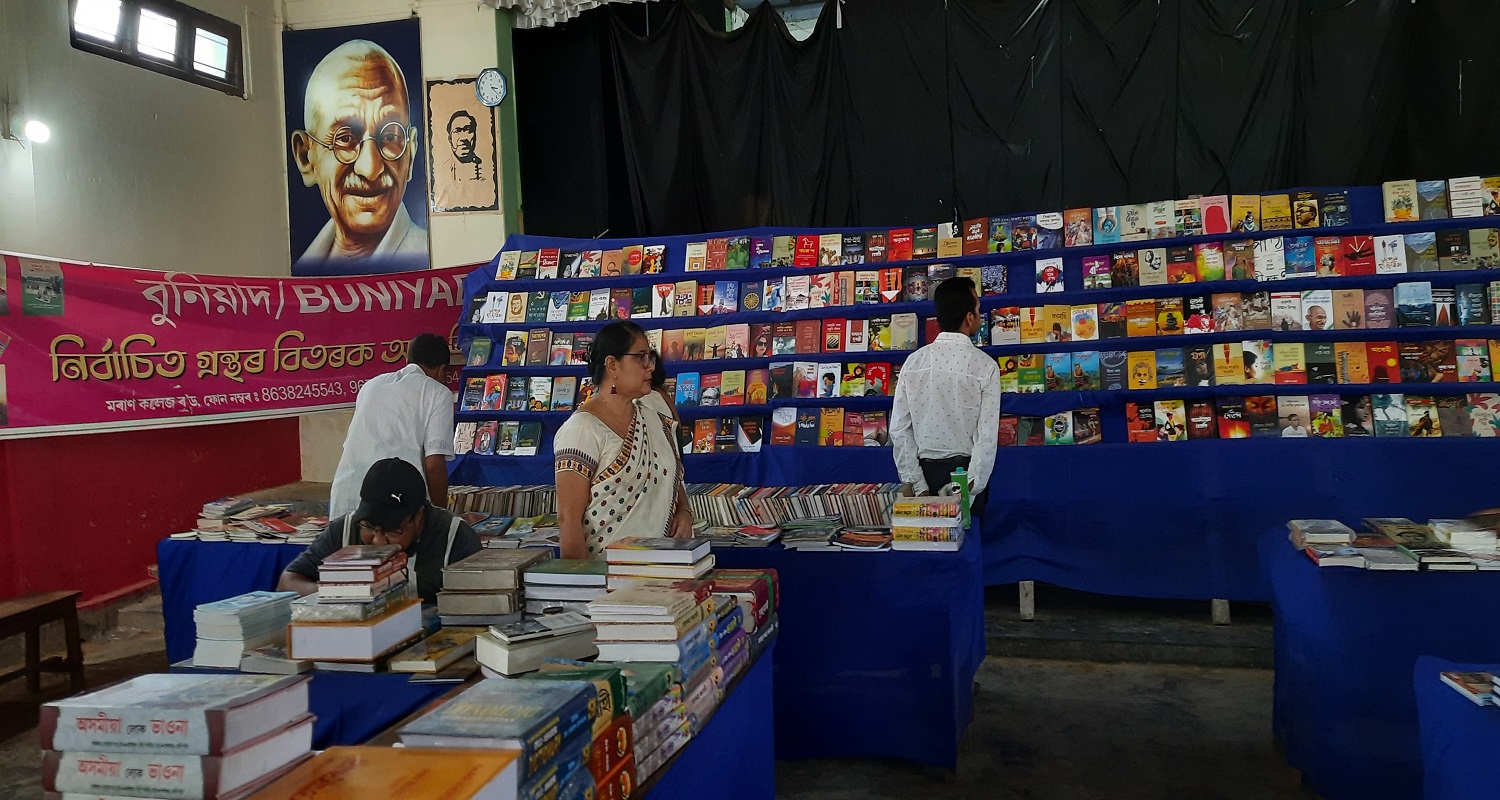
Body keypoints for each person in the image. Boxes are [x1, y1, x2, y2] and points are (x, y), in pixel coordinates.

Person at [555, 322, 694, 558]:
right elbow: (568, 521)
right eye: (641, 357)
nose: (650, 367)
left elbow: (672, 480)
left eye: (649, 357)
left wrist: (684, 512)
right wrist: (581, 585)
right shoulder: (582, 429)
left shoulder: (655, 422)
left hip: (661, 571)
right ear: (612, 365)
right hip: (605, 577)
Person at [290, 40, 427, 271]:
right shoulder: (303, 271)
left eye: (391, 137)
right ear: (306, 157)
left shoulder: (423, 254)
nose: (370, 168)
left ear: (410, 154)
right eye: (344, 139)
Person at [278, 459, 481, 603]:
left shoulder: (454, 536)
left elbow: (479, 604)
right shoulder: (346, 530)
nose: (378, 541)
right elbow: (288, 581)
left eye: (393, 530)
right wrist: (335, 593)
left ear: (419, 516)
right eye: (370, 527)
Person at [891, 277, 1000, 513]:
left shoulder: (914, 362)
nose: (980, 316)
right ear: (969, 318)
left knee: (926, 544)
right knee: (967, 544)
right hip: (967, 474)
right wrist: (970, 486)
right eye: (978, 310)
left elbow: (899, 429)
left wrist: (919, 486)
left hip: (925, 474)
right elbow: (987, 437)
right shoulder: (986, 366)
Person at [328, 333, 455, 520]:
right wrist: (441, 517)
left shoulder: (371, 385)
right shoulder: (438, 393)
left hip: (346, 499)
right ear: (441, 370)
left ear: (407, 359)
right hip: (394, 506)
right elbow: (434, 466)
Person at [445, 110, 483, 182]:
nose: (463, 138)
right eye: (457, 131)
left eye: (468, 130)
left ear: (475, 136)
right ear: (450, 138)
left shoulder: (484, 167)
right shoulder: (442, 169)